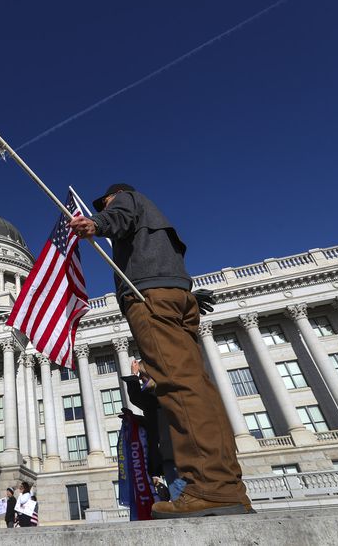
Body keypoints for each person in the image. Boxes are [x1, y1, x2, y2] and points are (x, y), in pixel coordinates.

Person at [69, 183, 251, 518]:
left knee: (177, 386)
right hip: (176, 295)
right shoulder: (155, 218)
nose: (107, 205)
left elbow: (118, 215)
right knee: (198, 387)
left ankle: (209, 488)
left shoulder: (125, 201)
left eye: (106, 202)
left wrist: (98, 223)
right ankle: (228, 487)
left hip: (149, 298)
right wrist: (189, 296)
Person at [123, 359, 183, 497]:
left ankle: (181, 501)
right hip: (167, 449)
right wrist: (135, 419)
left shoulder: (160, 392)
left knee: (179, 490)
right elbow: (152, 419)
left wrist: (133, 375)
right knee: (175, 485)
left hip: (172, 449)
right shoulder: (158, 396)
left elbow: (137, 398)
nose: (142, 381)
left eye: (143, 377)